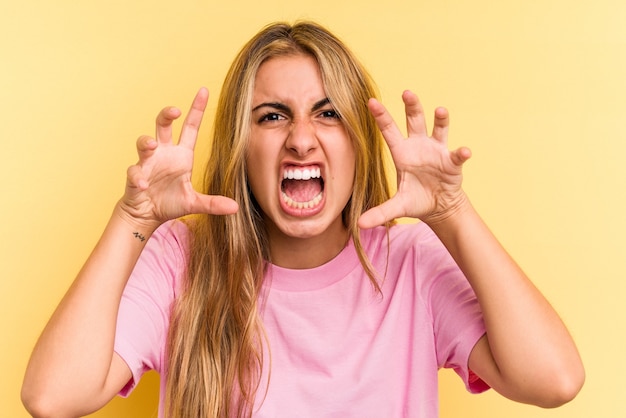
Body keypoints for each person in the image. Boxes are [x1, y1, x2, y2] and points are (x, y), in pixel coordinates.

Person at [21, 21, 584, 418]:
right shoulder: (180, 259)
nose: (301, 139)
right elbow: (52, 398)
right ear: (241, 149)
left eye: (328, 113)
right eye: (272, 116)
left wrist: (454, 214)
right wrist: (132, 217)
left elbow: (554, 381)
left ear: (360, 144)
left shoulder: (411, 265)